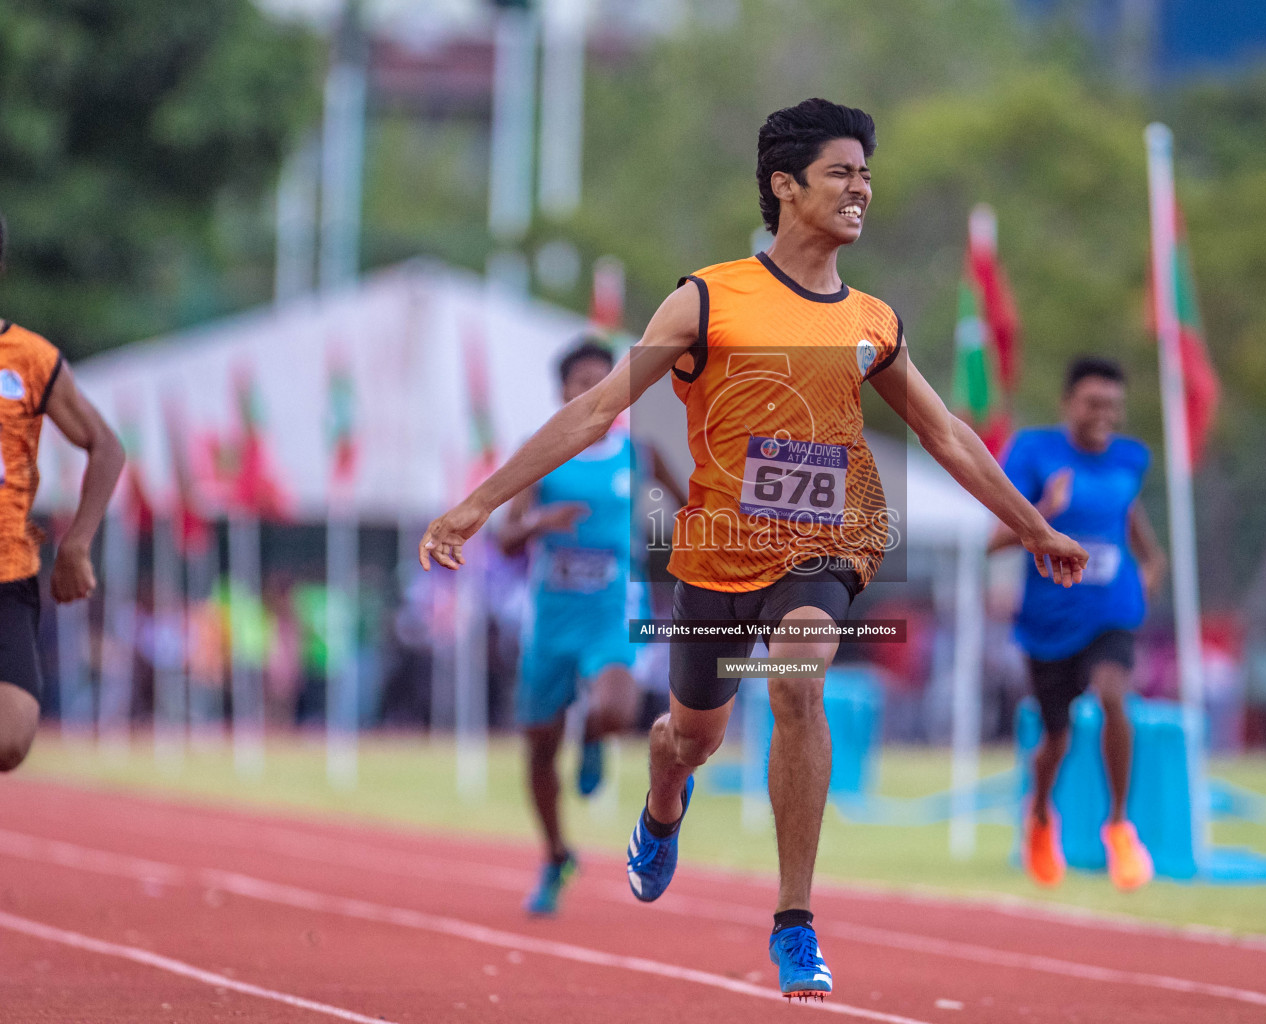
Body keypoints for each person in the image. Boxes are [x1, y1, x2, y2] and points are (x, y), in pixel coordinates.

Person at [419, 98, 1086, 999]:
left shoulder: (873, 321)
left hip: (833, 542)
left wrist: (1035, 525)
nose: (863, 188)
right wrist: (474, 507)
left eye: (866, 172)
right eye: (843, 172)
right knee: (688, 740)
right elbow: (594, 412)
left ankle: (795, 921)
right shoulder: (706, 298)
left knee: (800, 679)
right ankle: (663, 803)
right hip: (715, 554)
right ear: (786, 186)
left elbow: (948, 435)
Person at [497, 337, 686, 917]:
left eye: (605, 382)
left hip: (614, 609)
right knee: (536, 749)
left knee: (618, 711)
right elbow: (504, 537)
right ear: (563, 389)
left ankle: (595, 738)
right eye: (582, 381)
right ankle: (556, 854)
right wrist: (538, 523)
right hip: (552, 618)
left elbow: (695, 506)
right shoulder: (543, 452)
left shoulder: (640, 454)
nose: (593, 392)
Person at [990, 356, 1166, 892]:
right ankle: (1040, 815)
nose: (1103, 415)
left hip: (1110, 610)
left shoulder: (1131, 460)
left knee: (1114, 696)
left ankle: (1118, 826)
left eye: (1113, 406)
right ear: (1069, 403)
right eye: (1093, 403)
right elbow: (994, 539)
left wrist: (1153, 563)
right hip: (1047, 620)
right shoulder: (1033, 452)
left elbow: (1127, 517)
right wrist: (1045, 507)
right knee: (1056, 739)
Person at [0, 216, 125, 771]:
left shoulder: (31, 359)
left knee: (12, 738)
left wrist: (76, 545)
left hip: (9, 573)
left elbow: (106, 447)